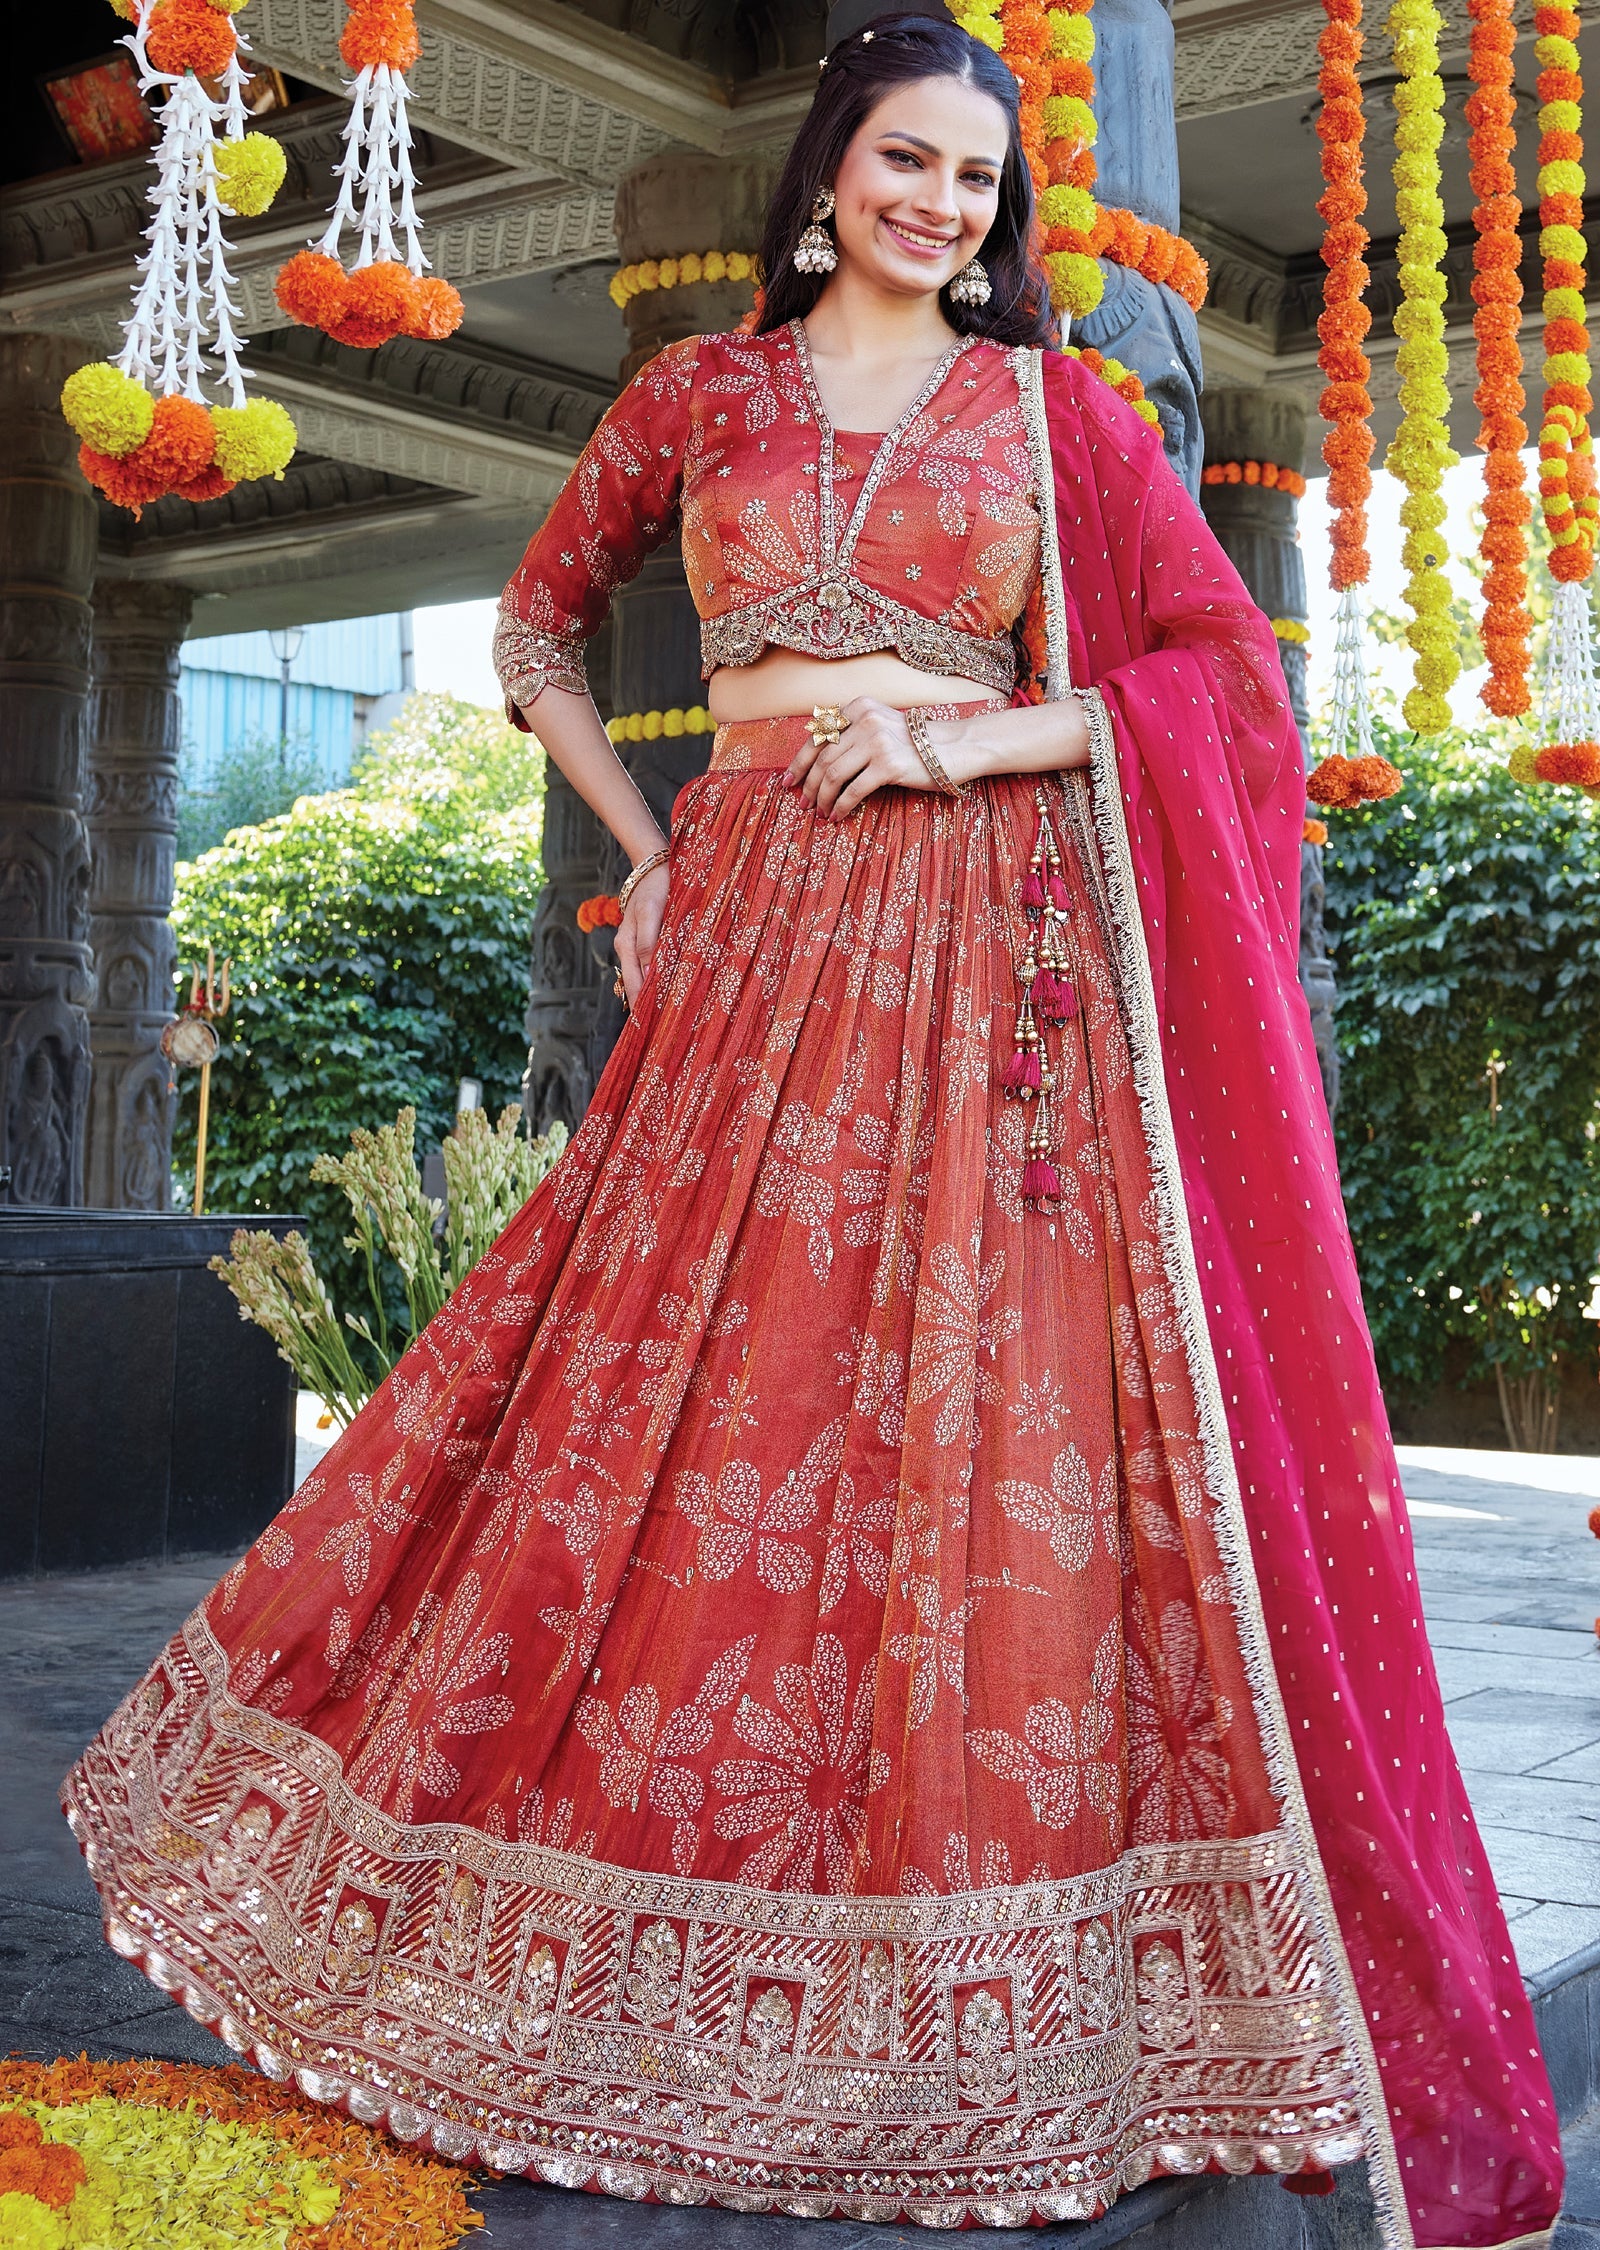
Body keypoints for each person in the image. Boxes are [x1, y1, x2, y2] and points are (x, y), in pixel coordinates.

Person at [64, 15, 1561, 2244]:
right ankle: (591, 1918)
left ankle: (984, 1977)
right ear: (828, 168)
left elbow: (1223, 678)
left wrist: (975, 743)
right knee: (676, 1382)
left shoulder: (1057, 413)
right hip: (751, 921)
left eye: (975, 177)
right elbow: (538, 624)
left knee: (971, 1397)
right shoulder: (700, 395)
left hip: (983, 941)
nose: (939, 203)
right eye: (904, 159)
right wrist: (647, 843)